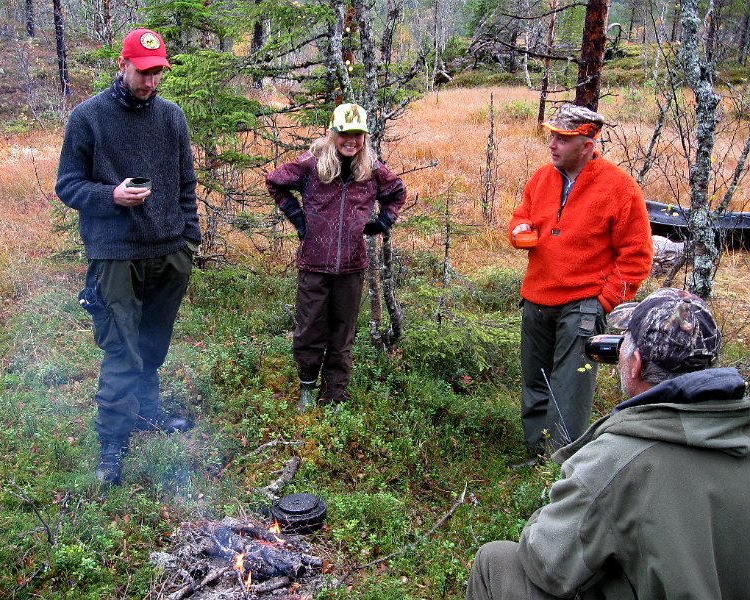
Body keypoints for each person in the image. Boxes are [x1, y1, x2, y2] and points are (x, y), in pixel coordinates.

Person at [466, 287, 750, 600]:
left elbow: (546, 565)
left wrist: (545, 516)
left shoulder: (619, 458)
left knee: (494, 562)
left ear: (635, 364)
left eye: (625, 340)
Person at [55, 28, 201, 485]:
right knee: (122, 349)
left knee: (153, 342)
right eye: (143, 72)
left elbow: (186, 183)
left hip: (169, 251)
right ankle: (112, 446)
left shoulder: (172, 117)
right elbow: (67, 185)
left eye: (158, 73)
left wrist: (189, 241)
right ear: (123, 65)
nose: (150, 82)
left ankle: (147, 411)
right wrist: (111, 196)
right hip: (115, 253)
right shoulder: (88, 117)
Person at [509, 103, 653, 466]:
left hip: (582, 305)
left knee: (570, 388)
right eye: (552, 136)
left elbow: (637, 256)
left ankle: (561, 466)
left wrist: (603, 302)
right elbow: (522, 216)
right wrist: (519, 229)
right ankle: (536, 457)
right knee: (536, 381)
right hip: (536, 298)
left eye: (562, 138)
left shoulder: (620, 188)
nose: (552, 144)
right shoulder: (542, 178)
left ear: (587, 144)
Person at [266, 103, 406, 411]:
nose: (351, 141)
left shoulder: (371, 169)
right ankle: (307, 387)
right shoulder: (311, 164)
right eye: (345, 133)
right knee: (309, 330)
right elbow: (275, 181)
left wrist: (382, 222)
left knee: (343, 334)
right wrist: (298, 219)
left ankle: (334, 396)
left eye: (357, 135)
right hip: (314, 264)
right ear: (333, 133)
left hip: (352, 266)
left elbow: (397, 191)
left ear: (364, 137)